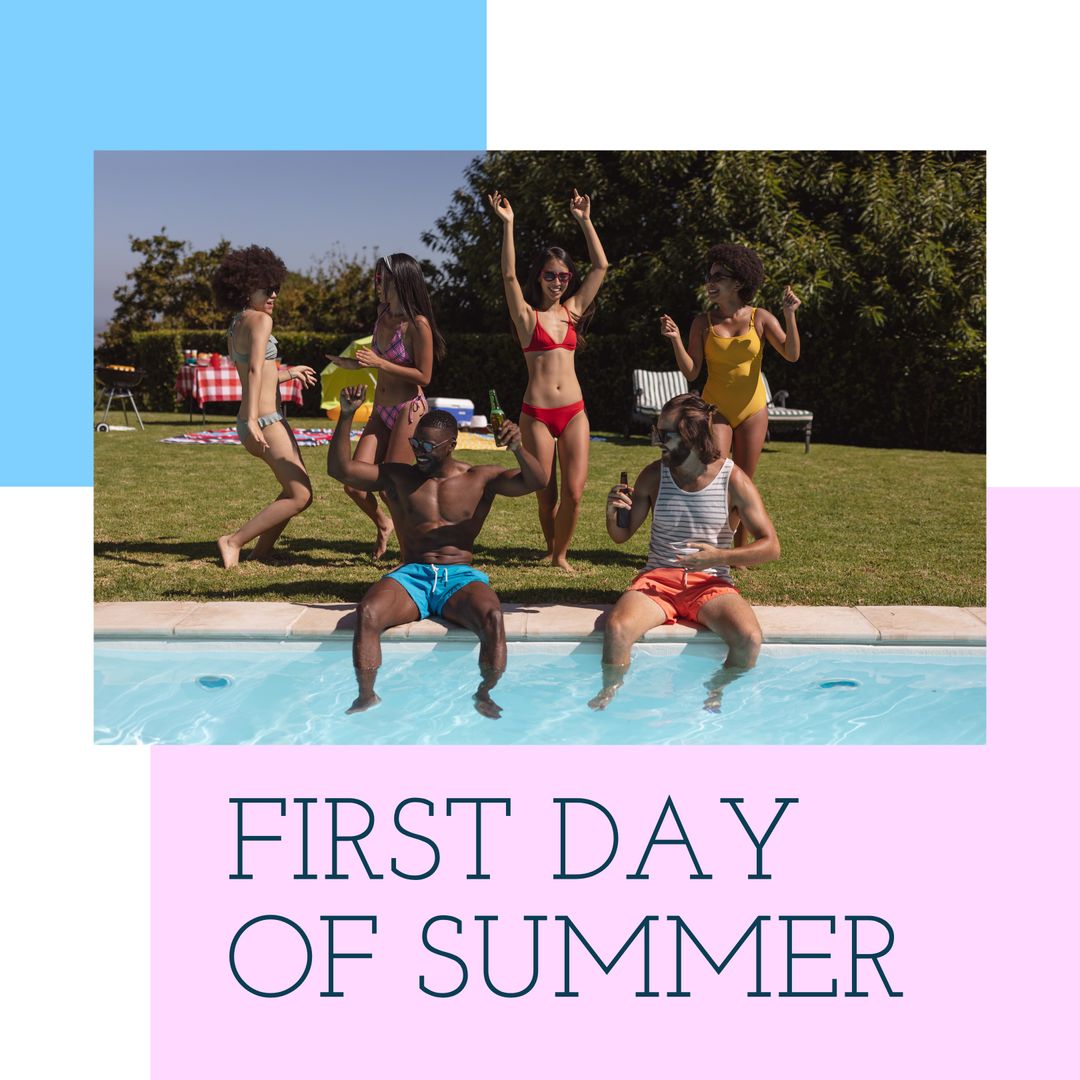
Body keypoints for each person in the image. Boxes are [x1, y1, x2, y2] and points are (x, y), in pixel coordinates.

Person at [327, 387, 545, 717]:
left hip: (459, 577)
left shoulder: (479, 478)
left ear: (452, 445)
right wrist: (346, 416)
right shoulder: (398, 476)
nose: (420, 452)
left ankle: (485, 693)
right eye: (416, 443)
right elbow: (341, 470)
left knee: (492, 617)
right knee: (368, 613)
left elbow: (537, 481)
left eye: (429, 446)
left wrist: (518, 448)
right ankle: (366, 695)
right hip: (411, 576)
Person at [589, 393, 780, 713]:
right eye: (656, 431)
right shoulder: (654, 475)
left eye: (664, 434)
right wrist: (612, 513)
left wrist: (718, 557)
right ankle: (612, 689)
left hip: (710, 584)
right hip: (658, 581)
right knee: (617, 629)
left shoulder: (732, 479)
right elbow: (621, 536)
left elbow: (771, 546)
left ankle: (717, 688)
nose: (656, 440)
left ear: (691, 435)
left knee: (748, 639)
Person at [488, 187, 609, 572]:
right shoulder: (527, 318)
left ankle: (560, 556)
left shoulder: (573, 312)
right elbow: (508, 275)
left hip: (574, 412)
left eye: (563, 275)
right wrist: (508, 225)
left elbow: (601, 267)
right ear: (539, 278)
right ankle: (549, 547)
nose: (557, 281)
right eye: (550, 275)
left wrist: (585, 221)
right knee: (545, 492)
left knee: (574, 493)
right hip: (536, 414)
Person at [660, 242, 800, 546]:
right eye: (708, 277)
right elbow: (692, 372)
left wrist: (789, 315)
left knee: (744, 481)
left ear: (738, 282)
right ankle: (714, 543)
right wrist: (675, 340)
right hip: (715, 410)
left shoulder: (760, 318)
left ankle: (738, 551)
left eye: (718, 277)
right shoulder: (703, 322)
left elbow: (791, 354)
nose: (710, 283)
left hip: (753, 409)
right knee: (716, 478)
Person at [325, 252, 445, 559]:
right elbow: (379, 361)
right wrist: (353, 364)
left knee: (394, 489)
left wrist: (379, 362)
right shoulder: (382, 314)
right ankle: (384, 524)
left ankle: (409, 556)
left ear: (399, 281)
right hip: (382, 409)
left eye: (381, 278)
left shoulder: (418, 325)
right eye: (376, 278)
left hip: (408, 410)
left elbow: (424, 376)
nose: (376, 284)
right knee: (354, 484)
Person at [210, 245, 318, 568]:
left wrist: (289, 373)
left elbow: (257, 373)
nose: (273, 294)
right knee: (301, 494)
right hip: (264, 421)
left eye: (276, 288)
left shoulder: (237, 323)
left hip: (260, 418)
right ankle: (233, 541)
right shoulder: (261, 320)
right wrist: (254, 420)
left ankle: (262, 551)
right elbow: (256, 370)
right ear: (246, 288)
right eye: (266, 288)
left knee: (295, 489)